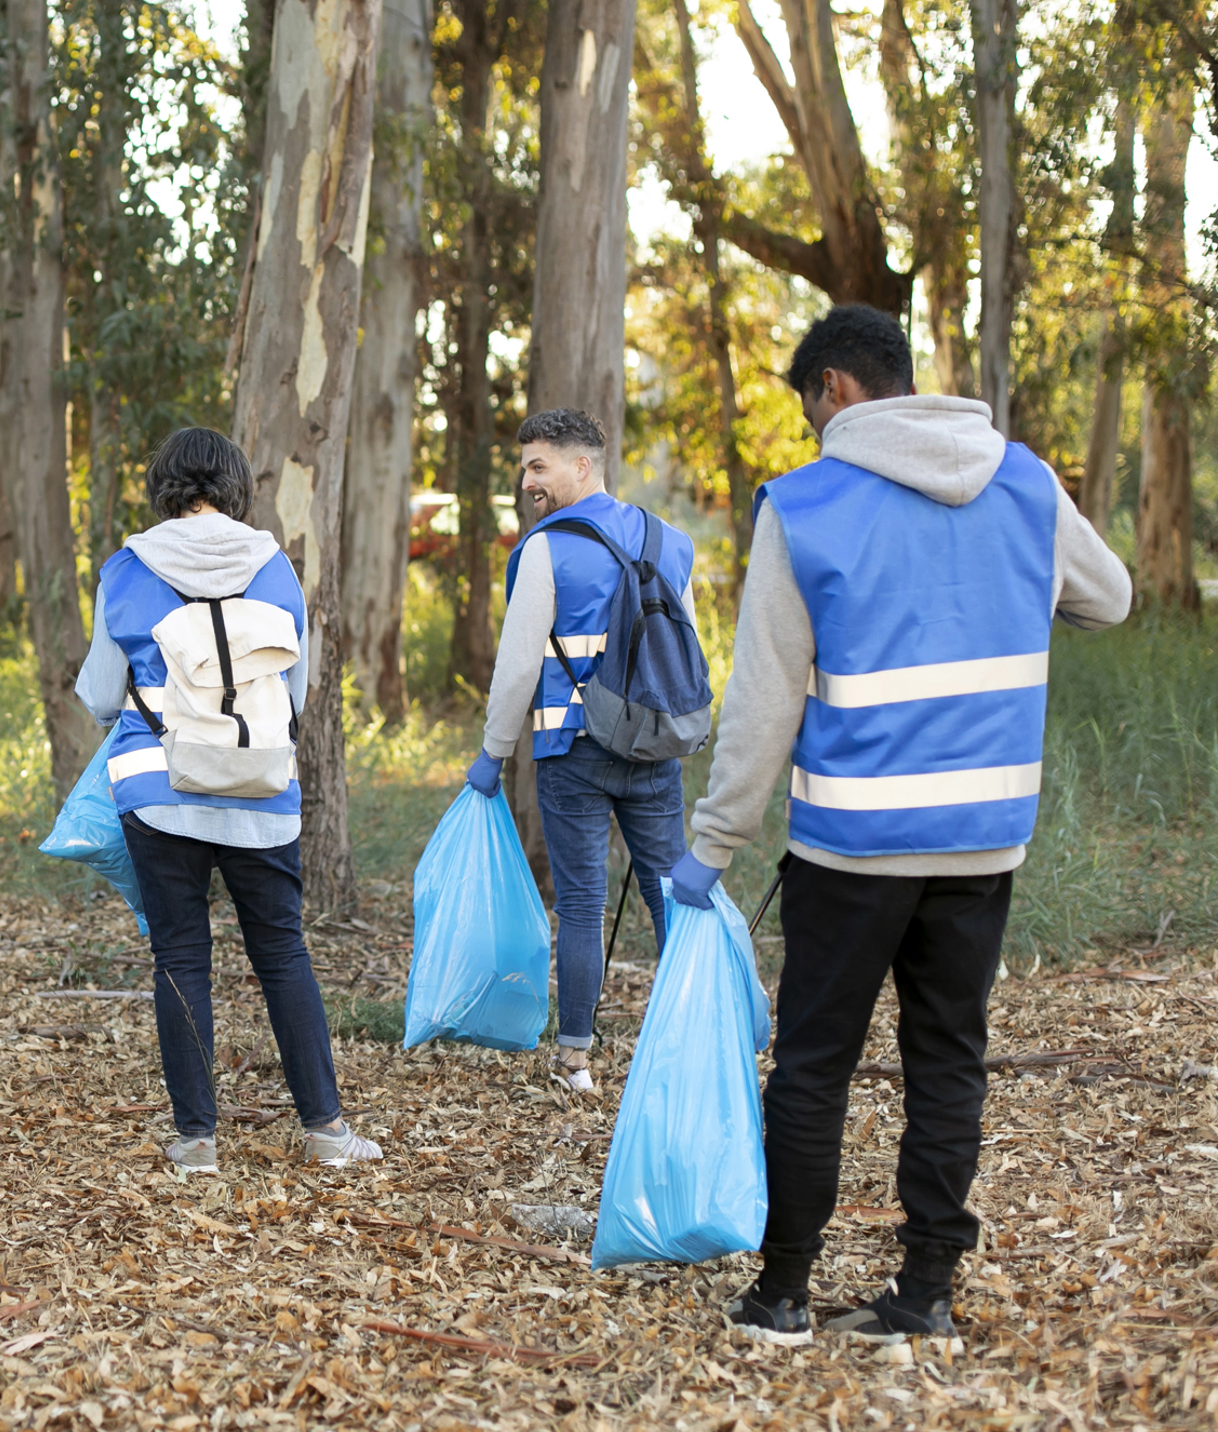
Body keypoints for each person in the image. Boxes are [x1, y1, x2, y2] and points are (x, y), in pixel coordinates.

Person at [673, 304, 1131, 1346]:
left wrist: (713, 844)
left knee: (815, 1064)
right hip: (981, 835)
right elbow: (1111, 598)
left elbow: (764, 702)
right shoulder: (1022, 481)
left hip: (851, 844)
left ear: (834, 387)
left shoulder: (808, 503)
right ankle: (925, 1295)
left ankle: (782, 1292)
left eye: (810, 410)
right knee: (948, 1060)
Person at [75, 427, 382, 1173]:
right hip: (261, 787)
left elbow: (98, 695)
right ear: (240, 489)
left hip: (159, 789)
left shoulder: (125, 568)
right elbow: (298, 691)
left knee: (181, 956)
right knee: (281, 950)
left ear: (163, 488)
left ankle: (197, 1141)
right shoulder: (276, 568)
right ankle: (327, 1132)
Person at [465, 408, 699, 1094]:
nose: (527, 479)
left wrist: (493, 753)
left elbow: (516, 669)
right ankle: (696, 1041)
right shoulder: (670, 541)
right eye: (525, 466)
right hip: (655, 746)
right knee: (673, 899)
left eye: (539, 466)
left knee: (583, 903)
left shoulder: (545, 548)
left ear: (582, 466)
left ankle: (575, 1061)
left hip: (573, 747)